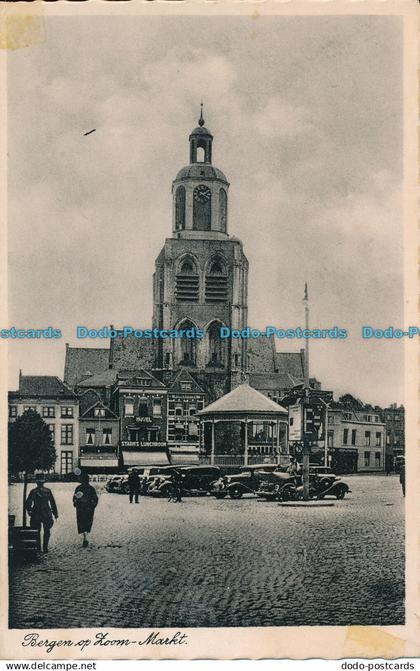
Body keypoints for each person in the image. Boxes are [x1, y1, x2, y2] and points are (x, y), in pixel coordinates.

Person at [25, 475, 58, 553]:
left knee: (36, 531)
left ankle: (38, 547)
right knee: (47, 531)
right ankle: (45, 548)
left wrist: (29, 511)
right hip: (46, 513)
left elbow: (28, 503)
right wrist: (55, 513)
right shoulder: (48, 491)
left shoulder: (33, 491)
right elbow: (53, 503)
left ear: (36, 482)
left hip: (36, 513)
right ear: (44, 482)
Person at [73, 472, 99, 548]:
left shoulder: (78, 488)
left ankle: (85, 537)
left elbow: (75, 498)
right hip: (89, 509)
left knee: (81, 522)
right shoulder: (91, 488)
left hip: (80, 508)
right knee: (88, 522)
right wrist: (93, 506)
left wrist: (75, 503)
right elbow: (96, 498)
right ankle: (86, 536)